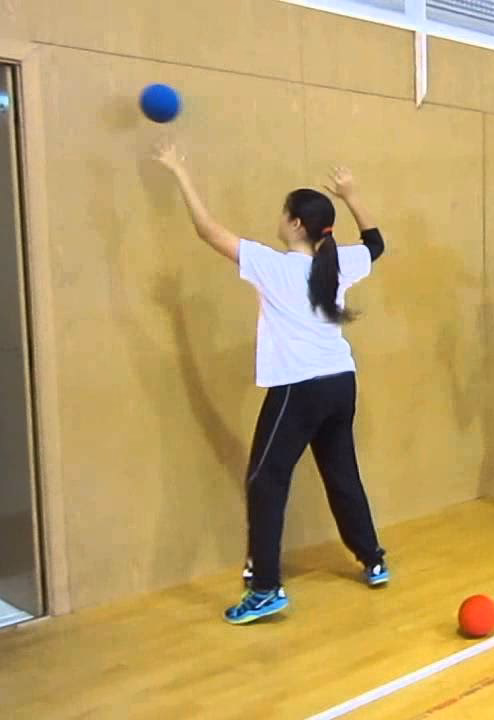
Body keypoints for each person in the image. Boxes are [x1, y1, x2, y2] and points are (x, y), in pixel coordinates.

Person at [152, 140, 388, 625]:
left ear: (296, 224)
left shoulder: (274, 265)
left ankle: (265, 589)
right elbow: (377, 243)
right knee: (340, 472)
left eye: (285, 214)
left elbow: (207, 230)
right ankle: (373, 558)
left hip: (299, 388)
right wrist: (352, 194)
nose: (279, 219)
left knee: (265, 481)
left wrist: (178, 171)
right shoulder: (338, 262)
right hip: (340, 382)